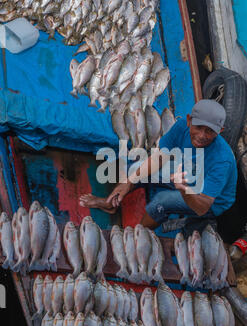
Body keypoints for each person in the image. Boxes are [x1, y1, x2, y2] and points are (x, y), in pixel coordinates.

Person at [79, 99, 238, 234]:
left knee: (162, 201)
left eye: (210, 131)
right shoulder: (181, 127)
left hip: (206, 199)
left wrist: (184, 191)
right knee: (133, 170)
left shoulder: (222, 161)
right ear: (189, 120)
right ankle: (110, 204)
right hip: (186, 171)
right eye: (198, 127)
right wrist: (129, 182)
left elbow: (203, 207)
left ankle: (138, 234)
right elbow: (159, 158)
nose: (202, 135)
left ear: (220, 131)